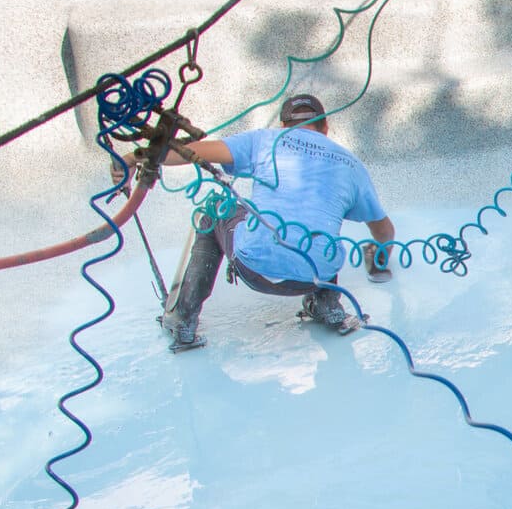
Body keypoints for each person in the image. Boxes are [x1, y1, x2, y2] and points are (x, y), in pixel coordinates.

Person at [154, 93, 396, 352]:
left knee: (215, 208)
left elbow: (181, 153)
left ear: (283, 126)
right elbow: (384, 230)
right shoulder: (351, 164)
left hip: (254, 270)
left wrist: (135, 158)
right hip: (317, 278)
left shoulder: (265, 140)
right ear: (325, 128)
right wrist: (377, 261)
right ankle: (328, 306)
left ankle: (183, 318)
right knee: (320, 222)